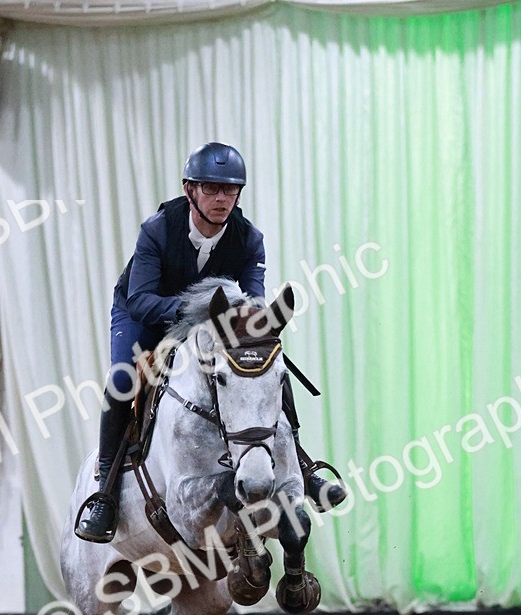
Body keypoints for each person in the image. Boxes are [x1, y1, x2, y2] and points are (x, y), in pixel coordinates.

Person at [75, 141, 345, 543]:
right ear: (190, 190)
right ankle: (105, 494)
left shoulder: (249, 238)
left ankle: (302, 468)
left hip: (214, 325)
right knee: (120, 382)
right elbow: (141, 300)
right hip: (147, 317)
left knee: (267, 368)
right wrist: (202, 309)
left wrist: (248, 326)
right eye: (211, 189)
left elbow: (253, 304)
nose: (222, 199)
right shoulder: (157, 230)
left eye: (230, 190)